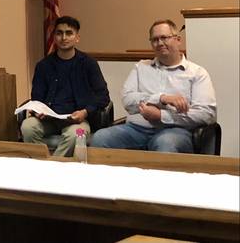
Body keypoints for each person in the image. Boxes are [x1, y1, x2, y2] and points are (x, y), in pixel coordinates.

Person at [91, 19, 216, 153]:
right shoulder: (141, 67)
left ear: (178, 39)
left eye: (164, 38)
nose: (160, 43)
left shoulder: (196, 73)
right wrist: (161, 98)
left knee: (165, 143)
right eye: (155, 39)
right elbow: (127, 100)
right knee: (99, 138)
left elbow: (206, 113)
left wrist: (161, 115)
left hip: (175, 131)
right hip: (135, 129)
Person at [20, 16, 110, 156]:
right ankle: (40, 164)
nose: (64, 37)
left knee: (76, 135)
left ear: (77, 38)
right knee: (27, 127)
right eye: (59, 33)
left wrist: (85, 112)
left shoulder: (88, 64)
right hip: (49, 119)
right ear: (54, 37)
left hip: (77, 120)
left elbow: (103, 96)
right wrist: (38, 110)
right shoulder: (44, 65)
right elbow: (37, 97)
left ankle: (53, 168)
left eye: (69, 33)